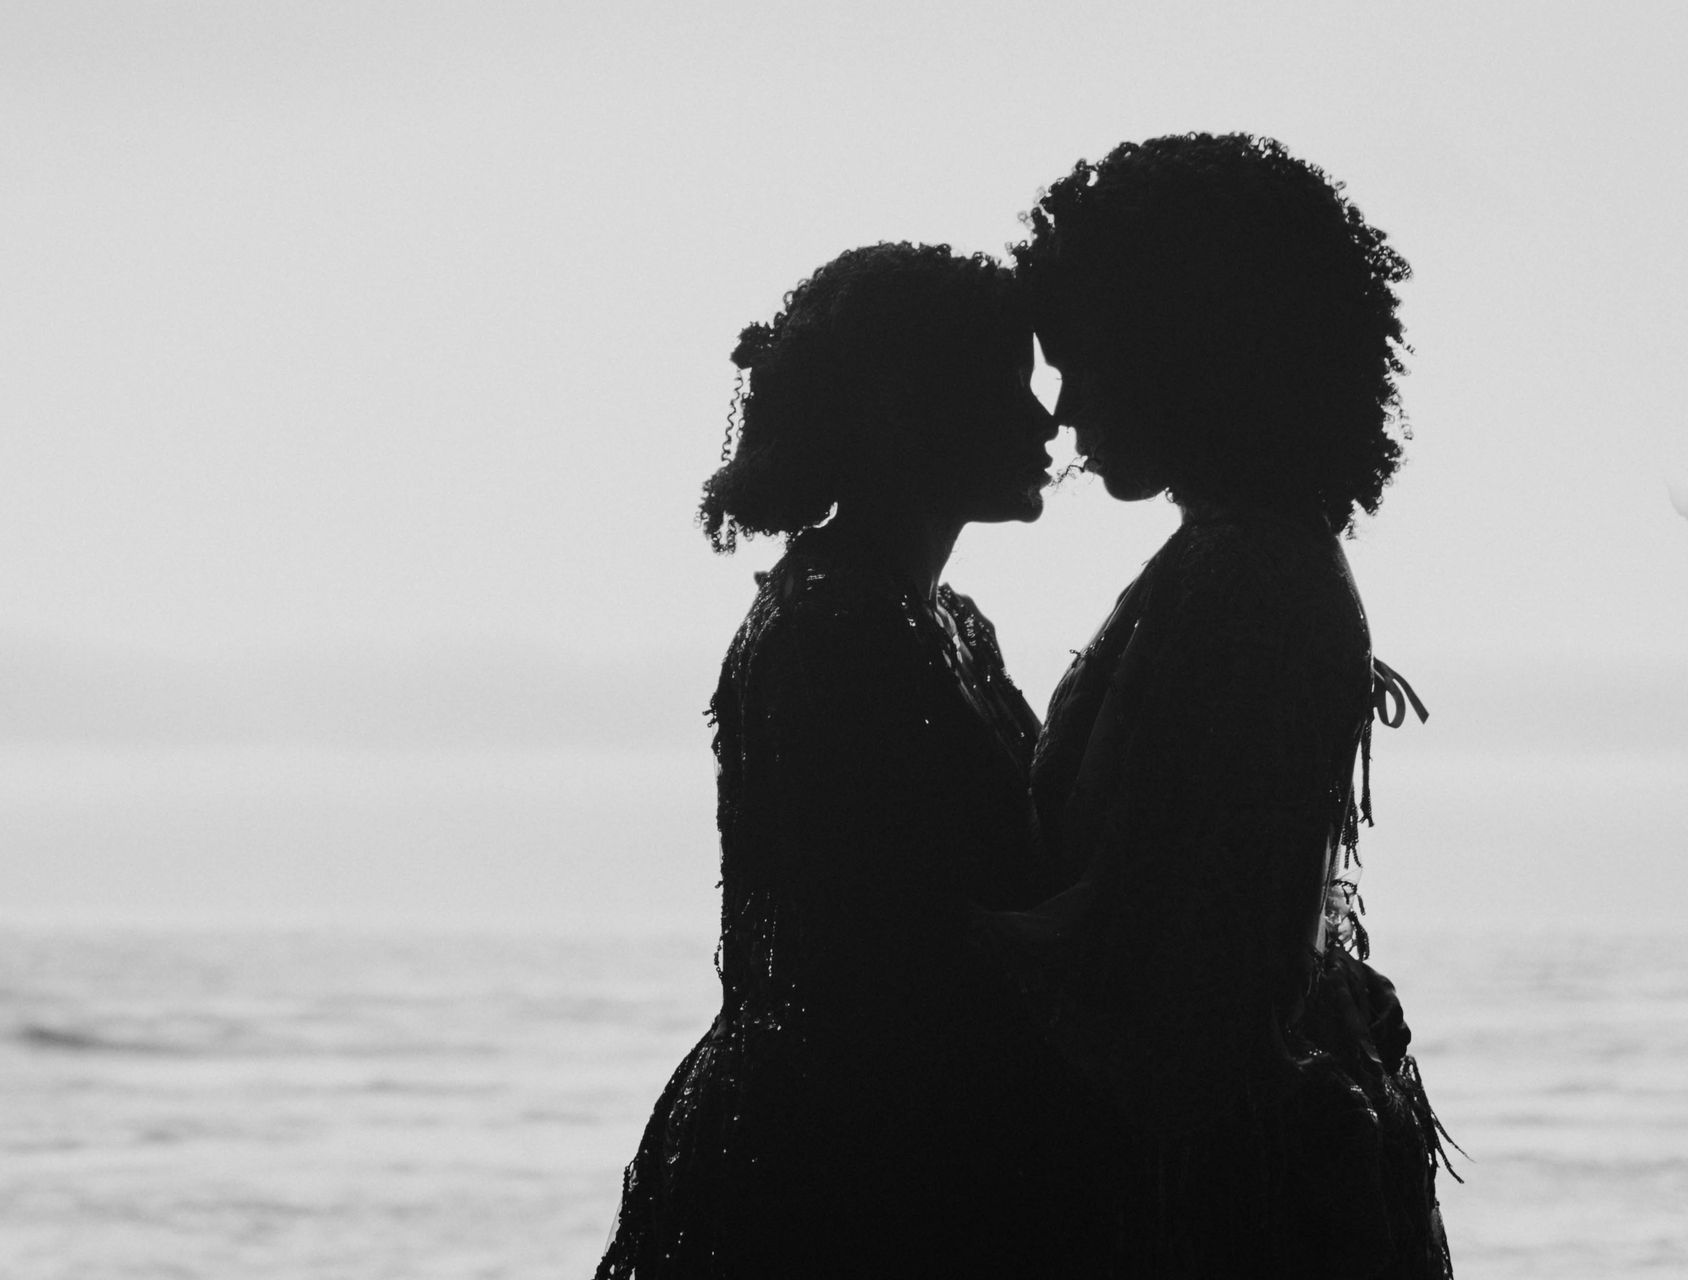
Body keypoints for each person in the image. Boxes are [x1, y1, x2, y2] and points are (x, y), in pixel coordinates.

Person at [996, 133, 1454, 1277]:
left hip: (1209, 1195)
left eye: (1083, 360)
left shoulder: (1248, 577)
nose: (1064, 409)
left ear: (1181, 351)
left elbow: (1188, 980)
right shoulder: (1243, 553)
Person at [594, 242, 1062, 1278]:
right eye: (1008, 388)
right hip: (832, 1163)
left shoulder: (941, 621)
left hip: (865, 1131)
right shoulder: (834, 630)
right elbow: (878, 947)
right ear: (904, 406)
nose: (1046, 423)